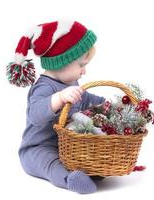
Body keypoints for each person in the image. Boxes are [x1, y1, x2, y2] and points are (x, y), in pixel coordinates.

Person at [6, 20, 105, 194]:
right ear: (61, 61)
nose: (84, 71)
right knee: (51, 163)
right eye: (81, 65)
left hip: (67, 148)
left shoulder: (71, 81)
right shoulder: (45, 87)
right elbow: (34, 114)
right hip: (38, 149)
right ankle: (69, 179)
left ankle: (87, 169)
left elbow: (87, 98)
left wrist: (107, 105)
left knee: (80, 154)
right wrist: (58, 98)